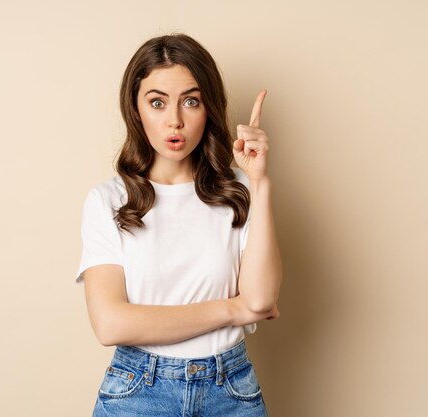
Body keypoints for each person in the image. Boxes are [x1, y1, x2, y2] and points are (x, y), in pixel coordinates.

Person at [75, 33, 282, 417]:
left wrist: (260, 182)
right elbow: (110, 324)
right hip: (138, 391)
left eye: (190, 101)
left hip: (230, 390)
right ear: (136, 110)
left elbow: (260, 299)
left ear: (209, 108)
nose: (175, 120)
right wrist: (232, 310)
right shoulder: (109, 201)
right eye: (157, 102)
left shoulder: (238, 190)